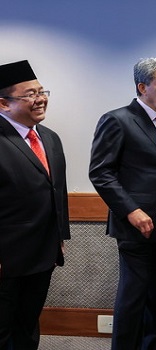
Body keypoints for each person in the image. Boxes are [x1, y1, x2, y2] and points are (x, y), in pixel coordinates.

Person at [89, 57, 156, 350]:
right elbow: (101, 173)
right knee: (133, 297)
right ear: (142, 86)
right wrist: (131, 210)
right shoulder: (117, 119)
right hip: (137, 227)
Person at [0, 60, 70, 350]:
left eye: (42, 92)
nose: (40, 99)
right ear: (4, 103)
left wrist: (60, 237)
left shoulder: (49, 138)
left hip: (42, 253)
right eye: (30, 94)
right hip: (6, 257)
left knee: (28, 325)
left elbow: (58, 192)